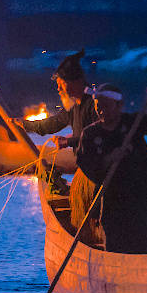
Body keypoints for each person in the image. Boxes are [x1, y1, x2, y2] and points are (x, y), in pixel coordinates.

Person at [75, 79, 147, 254]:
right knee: (116, 248)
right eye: (98, 105)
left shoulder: (131, 123)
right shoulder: (90, 134)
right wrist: (110, 158)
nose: (101, 109)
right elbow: (87, 164)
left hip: (141, 199)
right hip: (113, 202)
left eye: (106, 105)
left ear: (119, 105)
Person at [12, 50, 100, 221]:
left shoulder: (95, 104)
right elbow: (51, 124)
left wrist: (69, 141)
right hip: (85, 170)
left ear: (76, 82)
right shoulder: (74, 108)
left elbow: (101, 134)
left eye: (61, 84)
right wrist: (23, 124)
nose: (58, 89)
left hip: (99, 173)